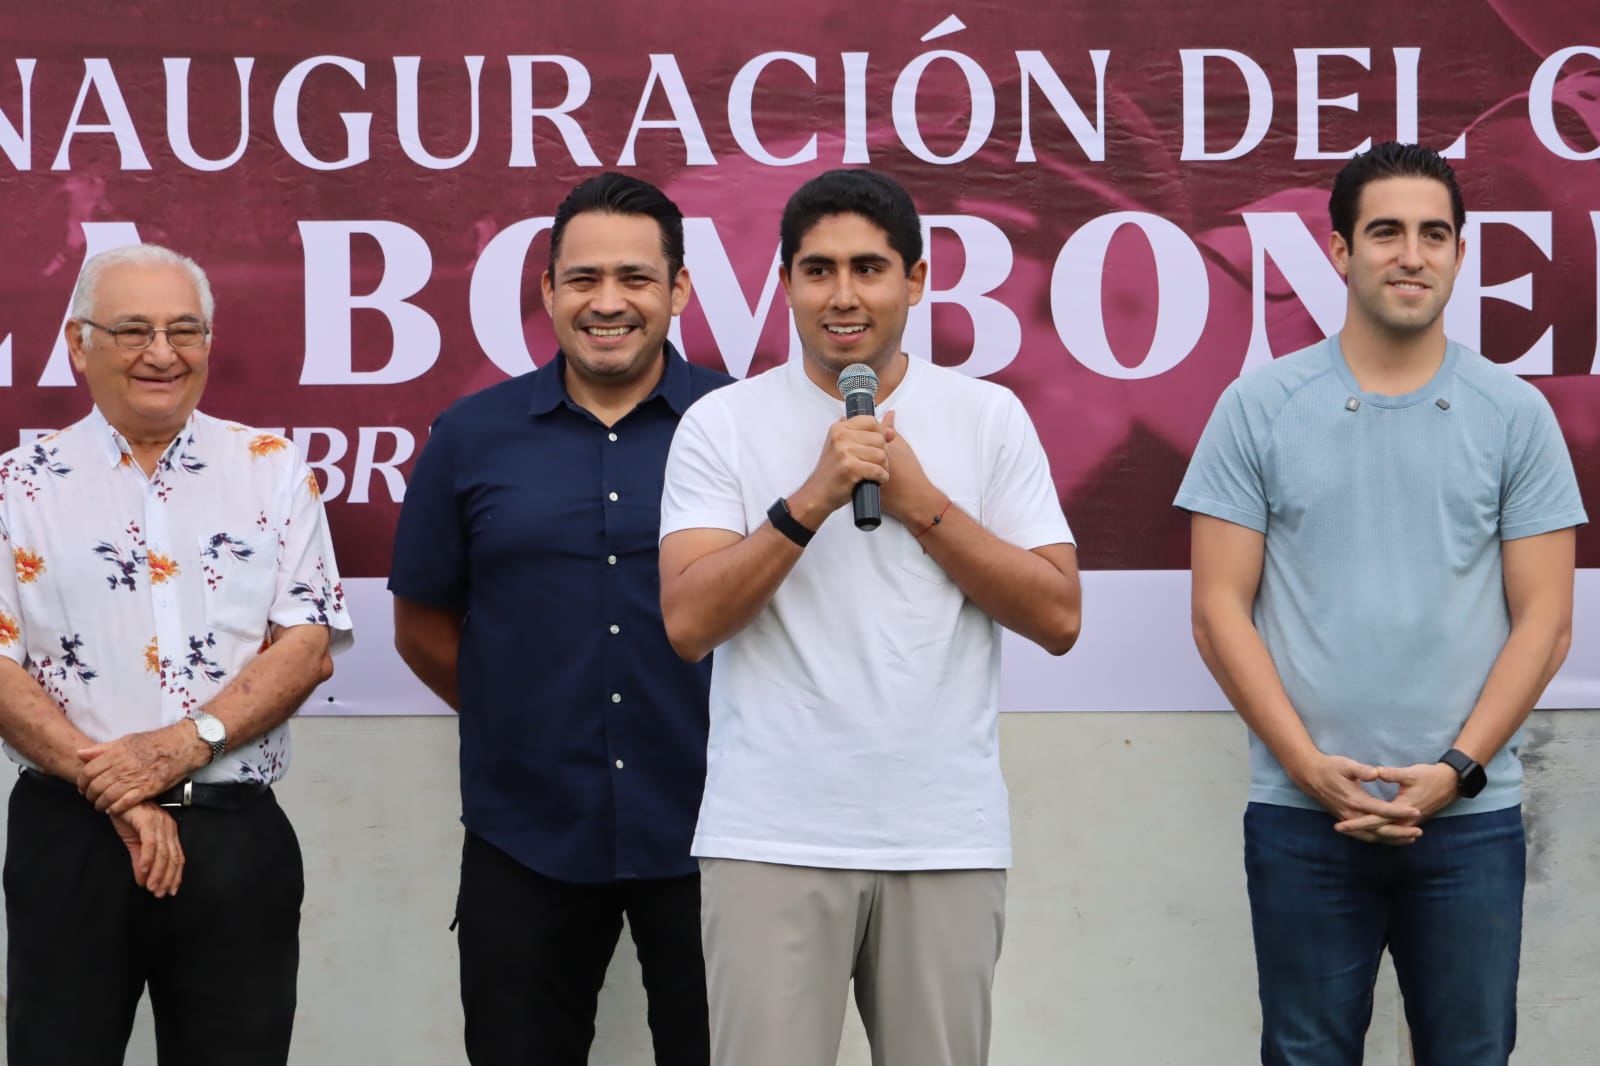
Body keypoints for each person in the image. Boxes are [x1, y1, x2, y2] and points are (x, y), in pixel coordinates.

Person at [657, 168, 1081, 1066]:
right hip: (770, 836)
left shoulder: (988, 417)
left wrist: (924, 505)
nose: (843, 295)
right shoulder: (721, 423)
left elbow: (1057, 614)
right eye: (817, 270)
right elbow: (688, 622)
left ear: (915, 280)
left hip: (943, 836)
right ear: (784, 283)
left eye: (869, 268)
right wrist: (810, 500)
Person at [1177, 142, 1586, 1065]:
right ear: (1339, 251)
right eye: (1386, 232)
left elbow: (1546, 622)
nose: (1412, 255)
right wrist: (1308, 768)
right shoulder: (1258, 407)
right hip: (1302, 816)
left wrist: (1455, 771)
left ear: (1460, 253)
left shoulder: (1514, 414)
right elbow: (1217, 611)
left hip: (1470, 822)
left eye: (1434, 235)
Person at [389, 173, 729, 1066]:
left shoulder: (740, 426)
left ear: (678, 289)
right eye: (583, 278)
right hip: (526, 833)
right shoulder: (471, 435)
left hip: (718, 829)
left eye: (635, 277)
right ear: (546, 291)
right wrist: (521, 718)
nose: (606, 302)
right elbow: (420, 624)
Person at [0, 243, 353, 1065]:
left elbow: (306, 644)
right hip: (72, 840)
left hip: (235, 840)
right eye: (133, 330)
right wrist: (118, 791)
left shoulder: (271, 470)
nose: (162, 353)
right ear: (78, 343)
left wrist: (182, 746)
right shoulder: (18, 485)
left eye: (183, 330)